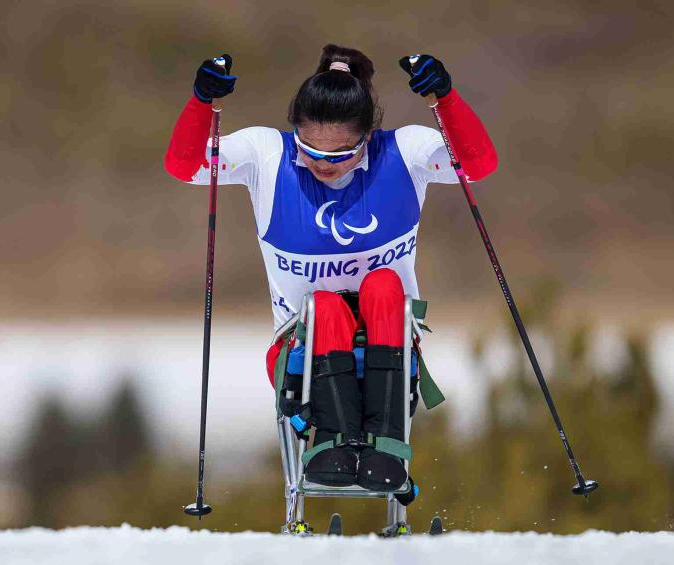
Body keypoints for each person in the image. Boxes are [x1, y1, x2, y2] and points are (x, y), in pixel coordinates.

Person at [164, 45, 497, 492]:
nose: (324, 164)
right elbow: (184, 167)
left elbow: (478, 165)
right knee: (323, 305)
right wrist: (201, 102)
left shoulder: (403, 150)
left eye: (342, 154)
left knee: (383, 284)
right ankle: (330, 442)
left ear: (367, 137)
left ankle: (386, 445)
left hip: (389, 339)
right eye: (310, 150)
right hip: (302, 349)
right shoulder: (266, 153)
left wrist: (447, 99)